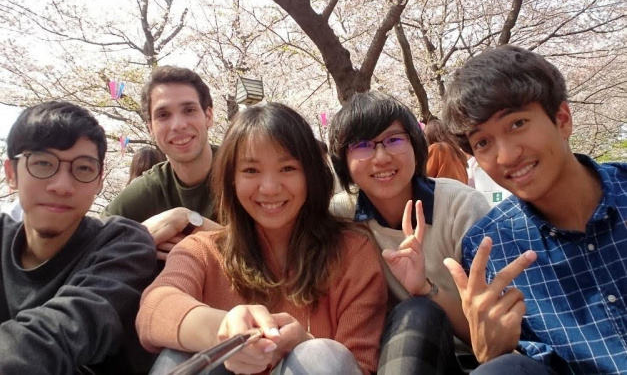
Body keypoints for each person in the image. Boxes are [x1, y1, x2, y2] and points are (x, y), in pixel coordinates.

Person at [136, 103, 387, 374]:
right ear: (231, 179)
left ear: (310, 175)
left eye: (287, 168)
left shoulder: (352, 252)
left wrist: (304, 342)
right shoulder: (203, 250)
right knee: (180, 353)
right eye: (251, 171)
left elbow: (359, 366)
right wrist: (229, 331)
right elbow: (154, 307)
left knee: (321, 354)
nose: (269, 188)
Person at [442, 44, 627, 374]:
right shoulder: (493, 251)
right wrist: (491, 352)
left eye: (517, 124)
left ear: (562, 119)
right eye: (483, 142)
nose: (506, 156)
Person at [0, 101, 156, 374]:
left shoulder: (123, 245)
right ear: (11, 173)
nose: (62, 186)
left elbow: (69, 328)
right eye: (43, 163)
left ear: (99, 181)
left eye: (83, 168)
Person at [328, 91, 490, 374]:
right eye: (363, 145)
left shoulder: (462, 207)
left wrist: (425, 290)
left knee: (418, 311)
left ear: (416, 146)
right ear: (343, 161)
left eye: (393, 140)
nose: (381, 157)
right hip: (393, 360)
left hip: (469, 361)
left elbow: (493, 334)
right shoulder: (340, 216)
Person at [103, 67, 220, 260]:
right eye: (163, 115)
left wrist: (189, 222)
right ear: (150, 128)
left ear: (208, 116)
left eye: (189, 110)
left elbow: (278, 250)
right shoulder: (151, 187)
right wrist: (141, 235)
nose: (178, 125)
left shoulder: (244, 170)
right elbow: (91, 241)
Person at [424, 118, 468, 184]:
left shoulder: (437, 148)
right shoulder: (457, 152)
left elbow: (425, 176)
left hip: (444, 192)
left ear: (429, 134)